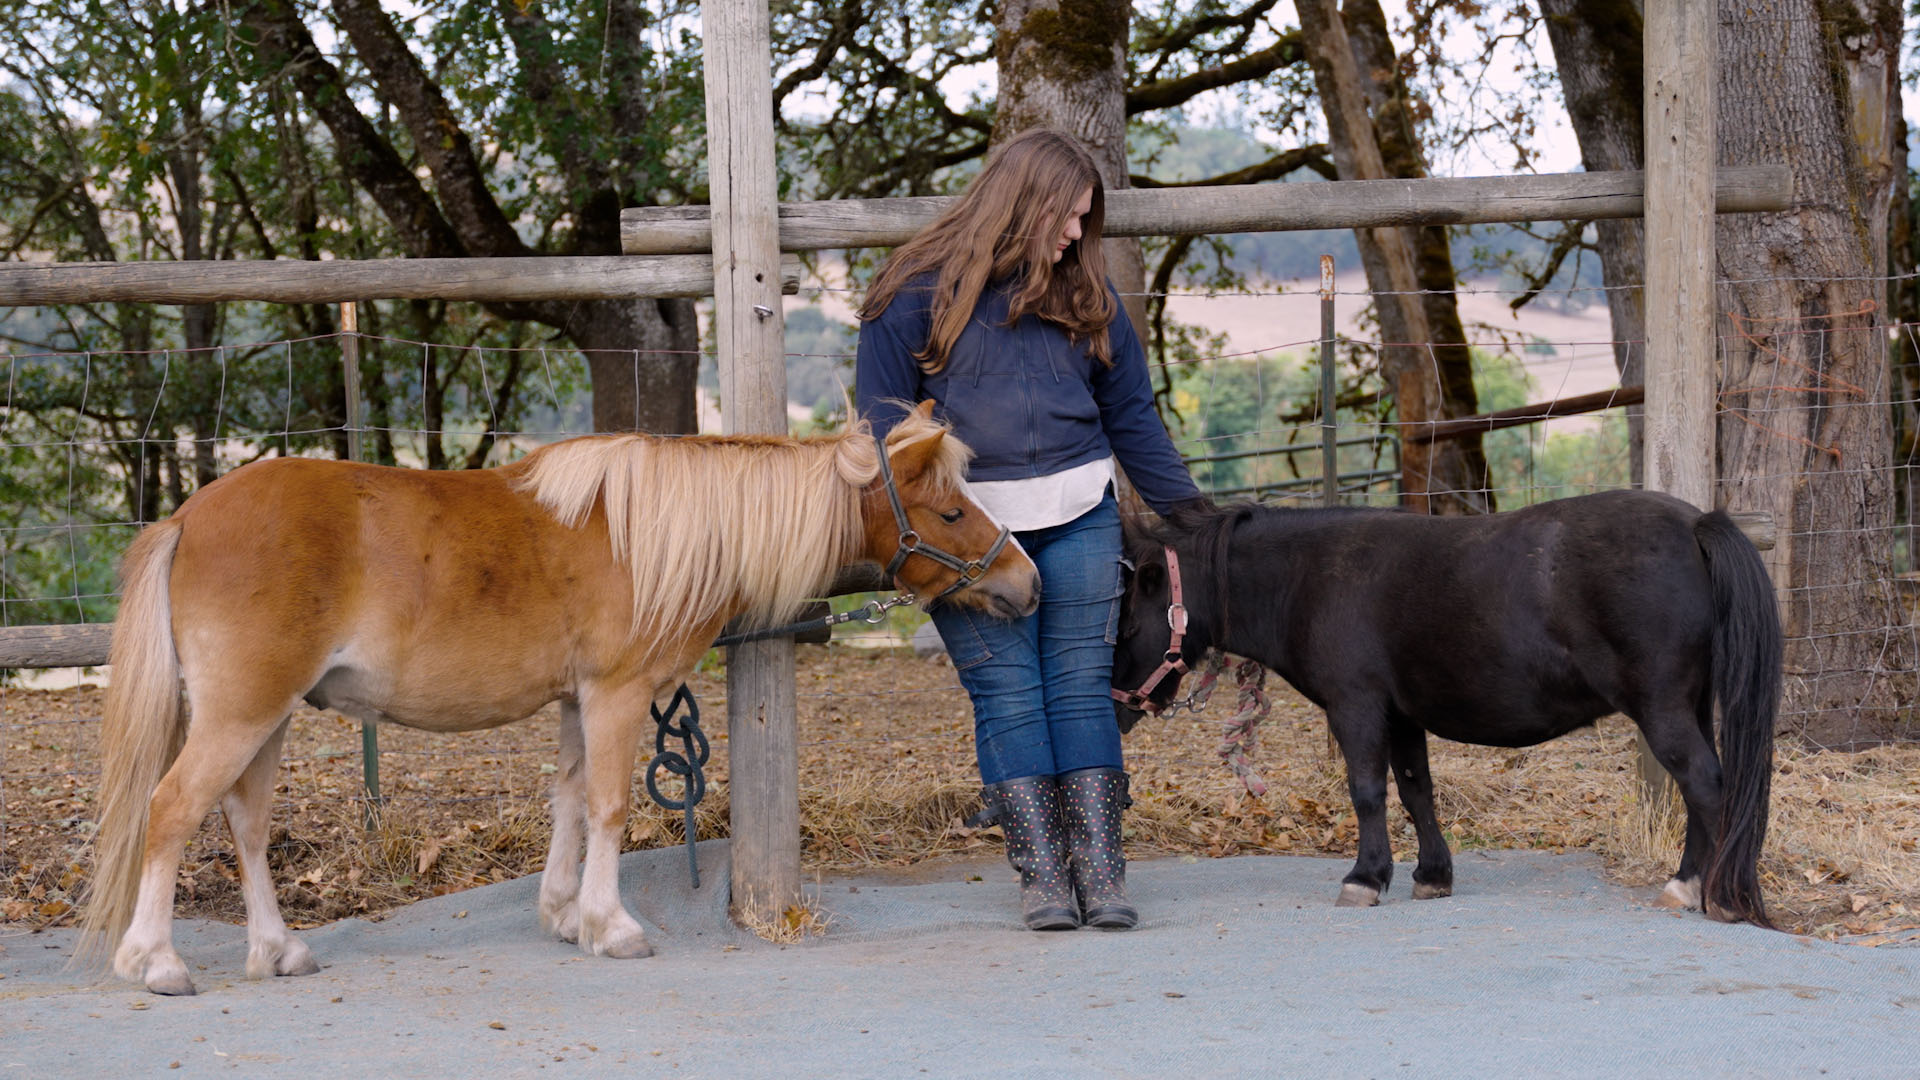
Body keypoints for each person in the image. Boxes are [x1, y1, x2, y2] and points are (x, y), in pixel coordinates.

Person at [855, 128, 1205, 931]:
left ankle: (1103, 877)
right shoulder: (909, 295)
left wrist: (1201, 521)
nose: (1078, 235)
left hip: (1082, 516)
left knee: (1079, 688)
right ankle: (1043, 879)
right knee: (1008, 696)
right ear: (1025, 204)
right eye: (1069, 216)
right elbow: (883, 437)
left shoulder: (1089, 296)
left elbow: (1134, 425)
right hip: (968, 543)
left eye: (1087, 219)